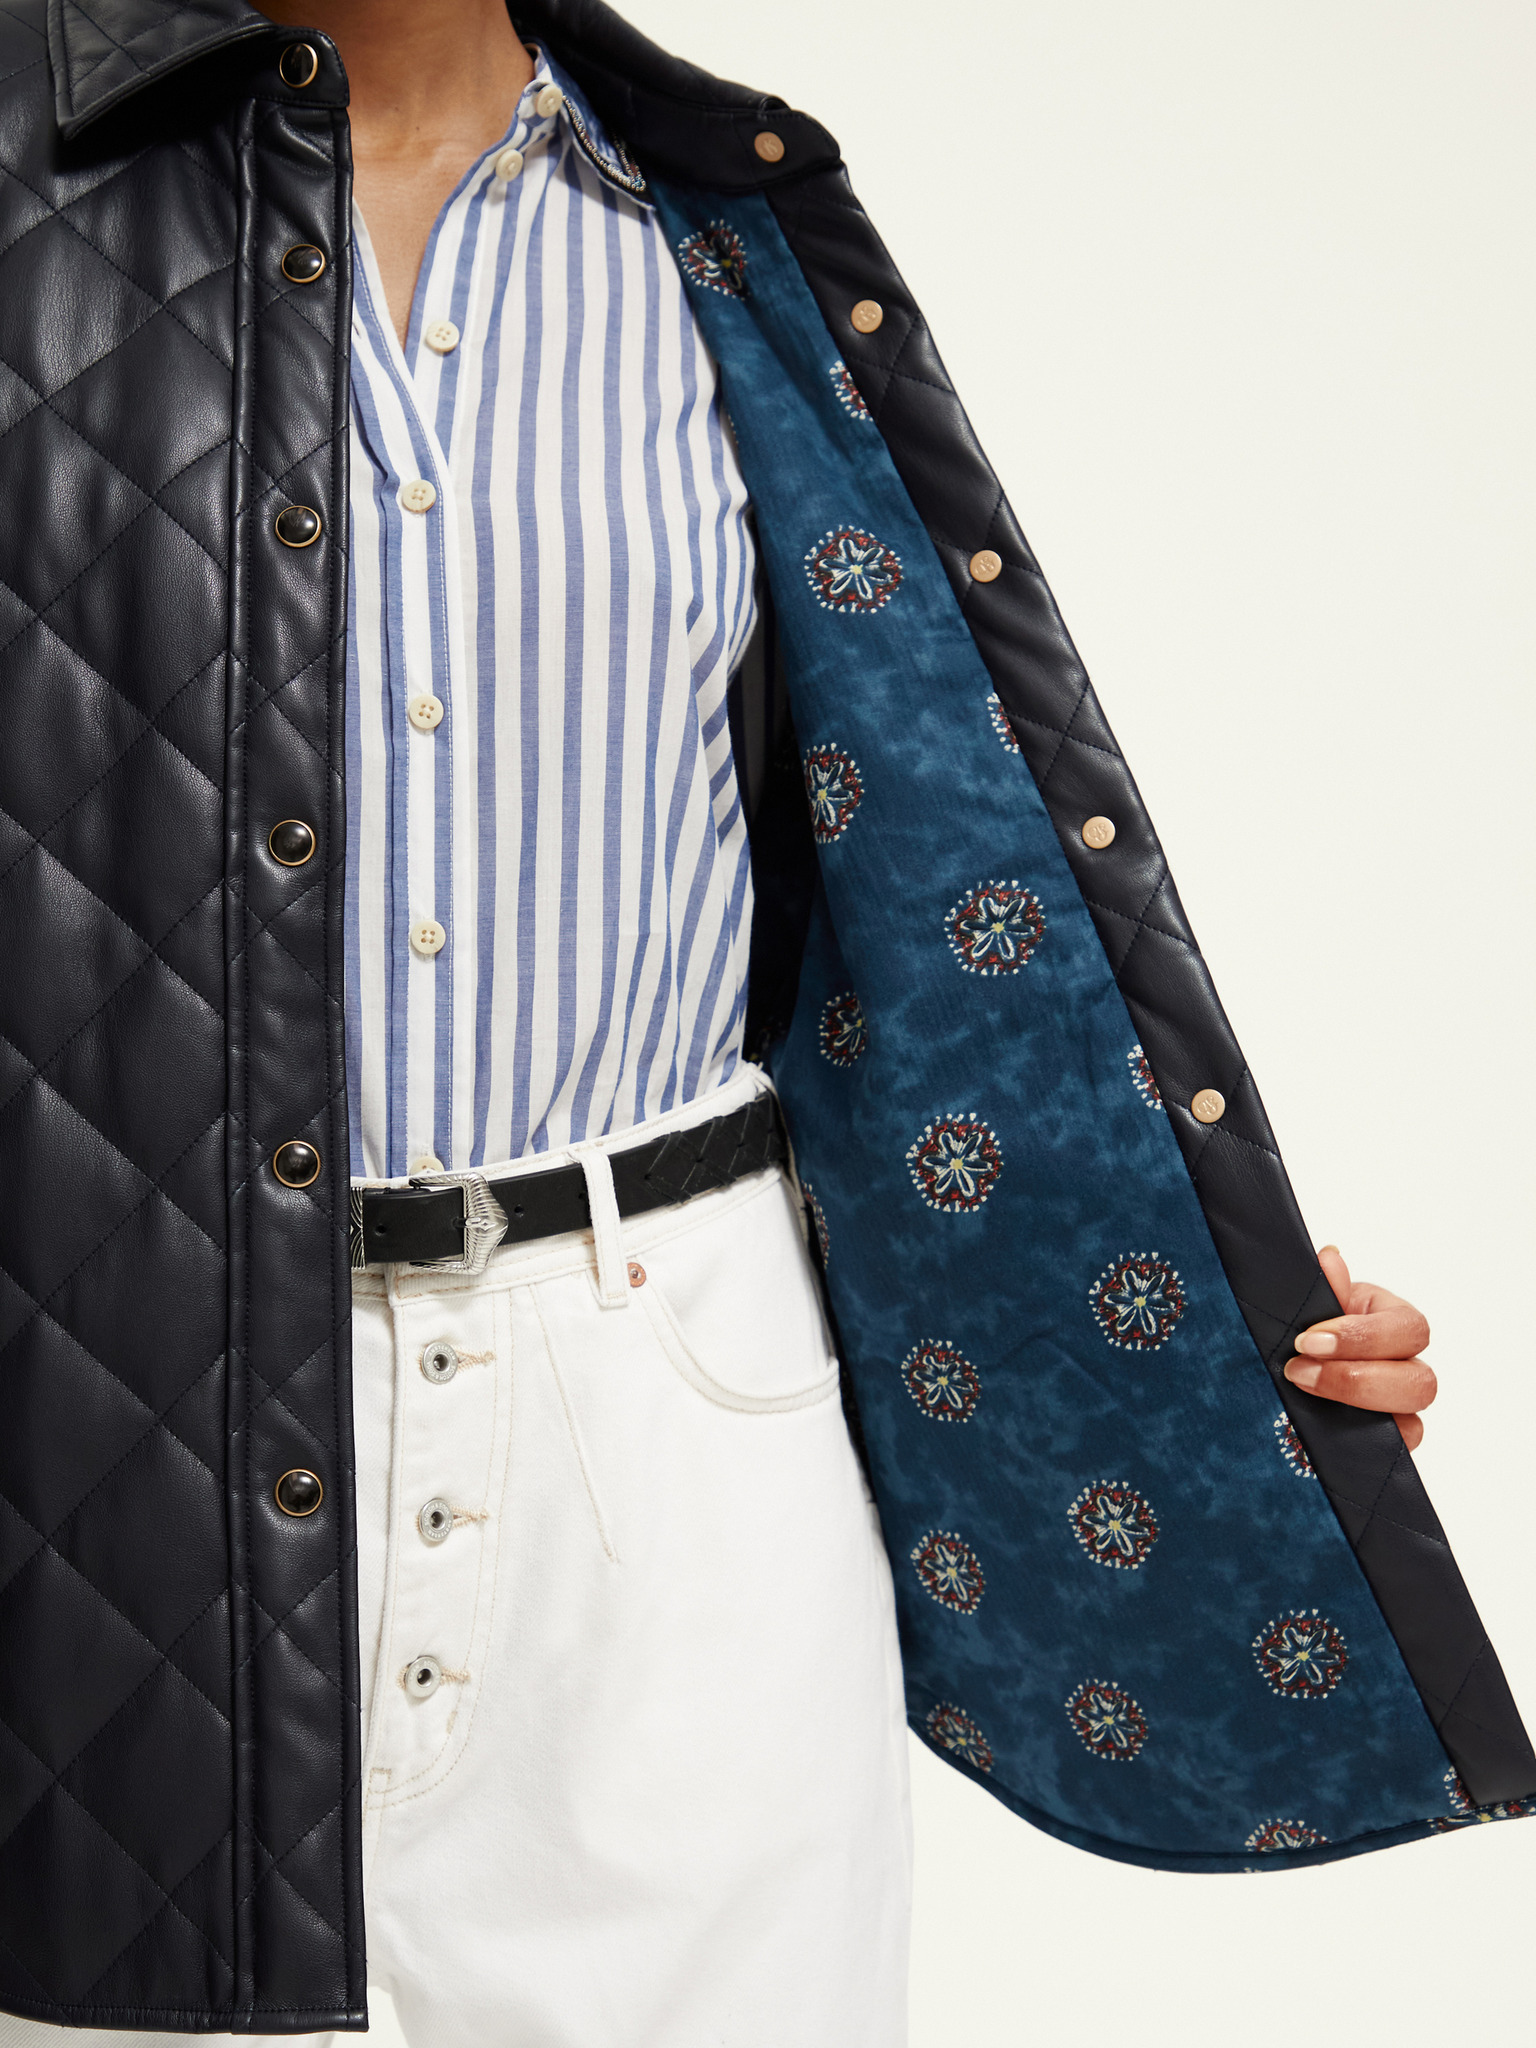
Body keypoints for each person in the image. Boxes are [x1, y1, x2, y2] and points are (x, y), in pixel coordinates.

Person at [0, 2, 1526, 2043]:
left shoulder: (714, 221)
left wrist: (1185, 1291)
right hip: (114, 1451)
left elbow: (917, 879)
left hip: (682, 1442)